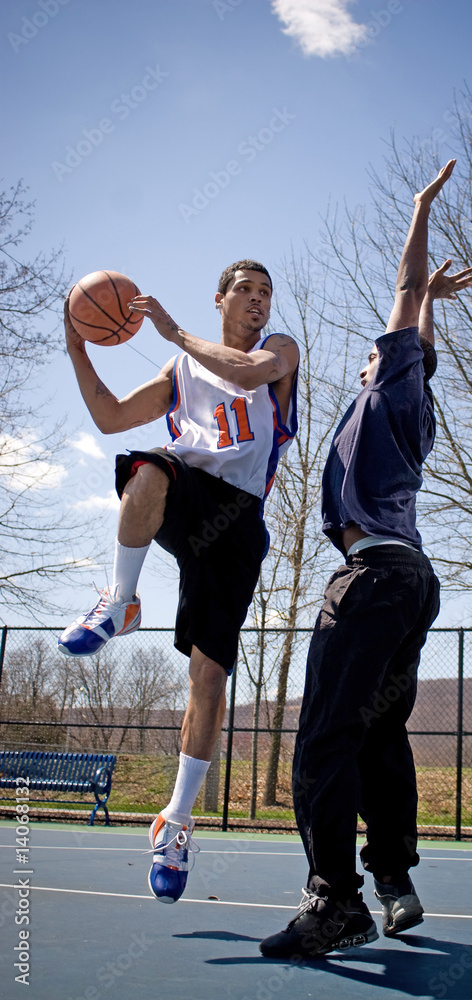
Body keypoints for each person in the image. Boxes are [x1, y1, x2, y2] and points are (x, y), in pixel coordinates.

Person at [259, 164, 472, 958]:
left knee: (322, 739)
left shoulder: (393, 383)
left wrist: (418, 216)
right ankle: (392, 878)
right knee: (379, 734)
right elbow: (418, 326)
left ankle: (334, 902)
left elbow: (406, 287)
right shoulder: (403, 404)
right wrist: (427, 314)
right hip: (409, 581)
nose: (373, 351)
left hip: (377, 579)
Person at [58, 260, 299, 904]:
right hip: (188, 495)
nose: (257, 300)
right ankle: (120, 599)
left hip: (238, 520)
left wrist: (172, 331)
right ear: (219, 298)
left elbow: (246, 373)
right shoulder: (181, 371)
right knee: (145, 470)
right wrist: (79, 348)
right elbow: (109, 416)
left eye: (265, 293)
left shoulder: (279, 351)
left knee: (210, 680)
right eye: (244, 290)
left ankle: (176, 820)